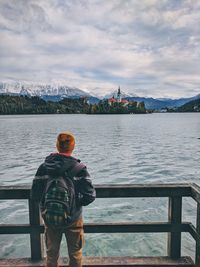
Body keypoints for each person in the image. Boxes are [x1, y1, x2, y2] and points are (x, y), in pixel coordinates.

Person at [31, 132, 96, 267]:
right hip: (73, 219)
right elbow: (90, 196)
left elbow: (35, 195)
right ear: (73, 147)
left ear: (57, 146)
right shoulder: (79, 169)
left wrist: (47, 207)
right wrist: (75, 204)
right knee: (75, 255)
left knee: (51, 255)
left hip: (50, 218)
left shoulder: (44, 167)